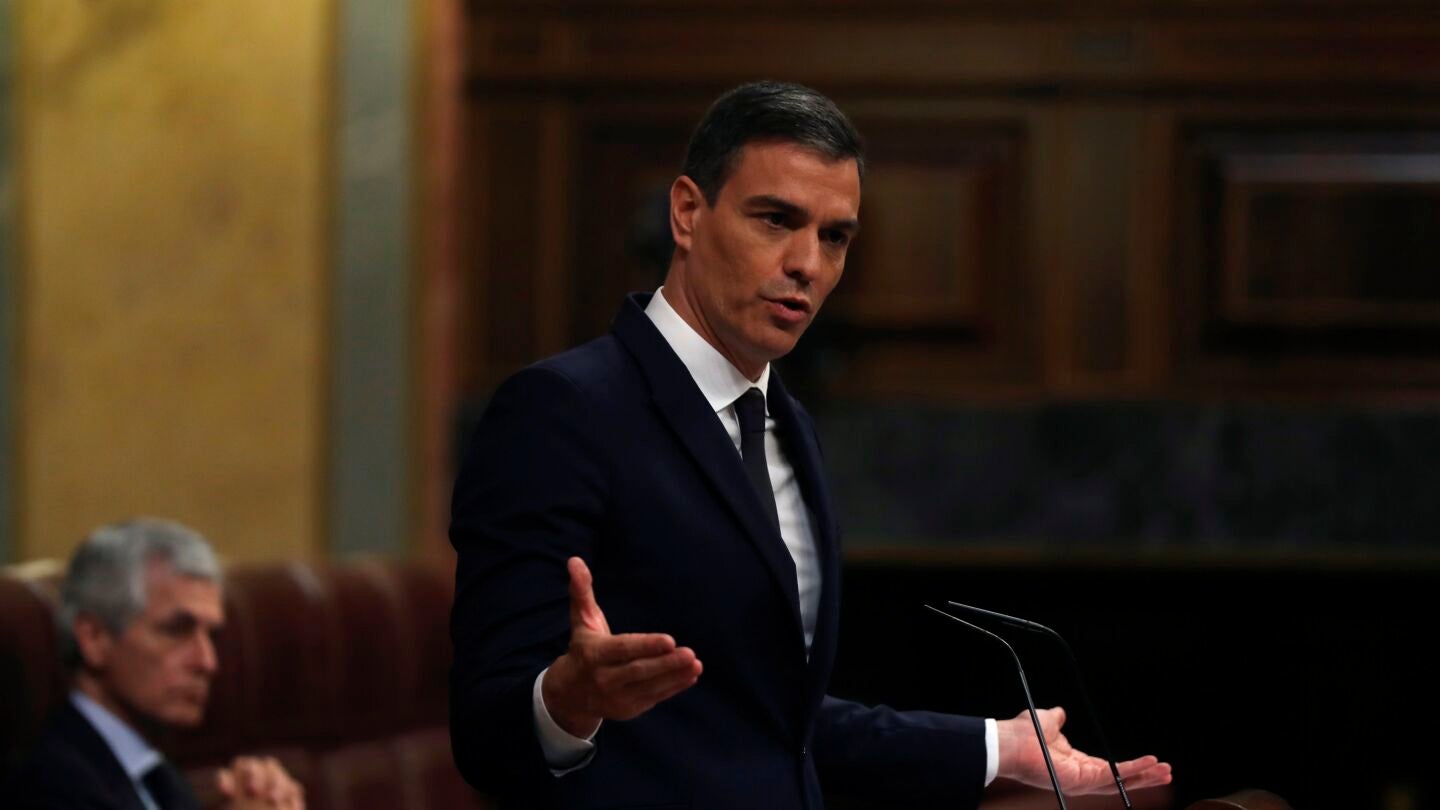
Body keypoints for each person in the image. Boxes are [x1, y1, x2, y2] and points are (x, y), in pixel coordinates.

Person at [449, 80, 1172, 809]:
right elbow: (486, 730)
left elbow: (771, 729)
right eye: (776, 220)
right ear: (688, 213)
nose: (808, 264)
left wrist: (995, 746)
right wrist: (566, 703)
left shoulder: (788, 424)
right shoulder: (561, 410)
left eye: (835, 237)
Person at [9, 518, 305, 810]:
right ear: (94, 638)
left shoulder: (156, 773)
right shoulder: (48, 783)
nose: (208, 662)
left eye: (212, 636)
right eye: (176, 631)